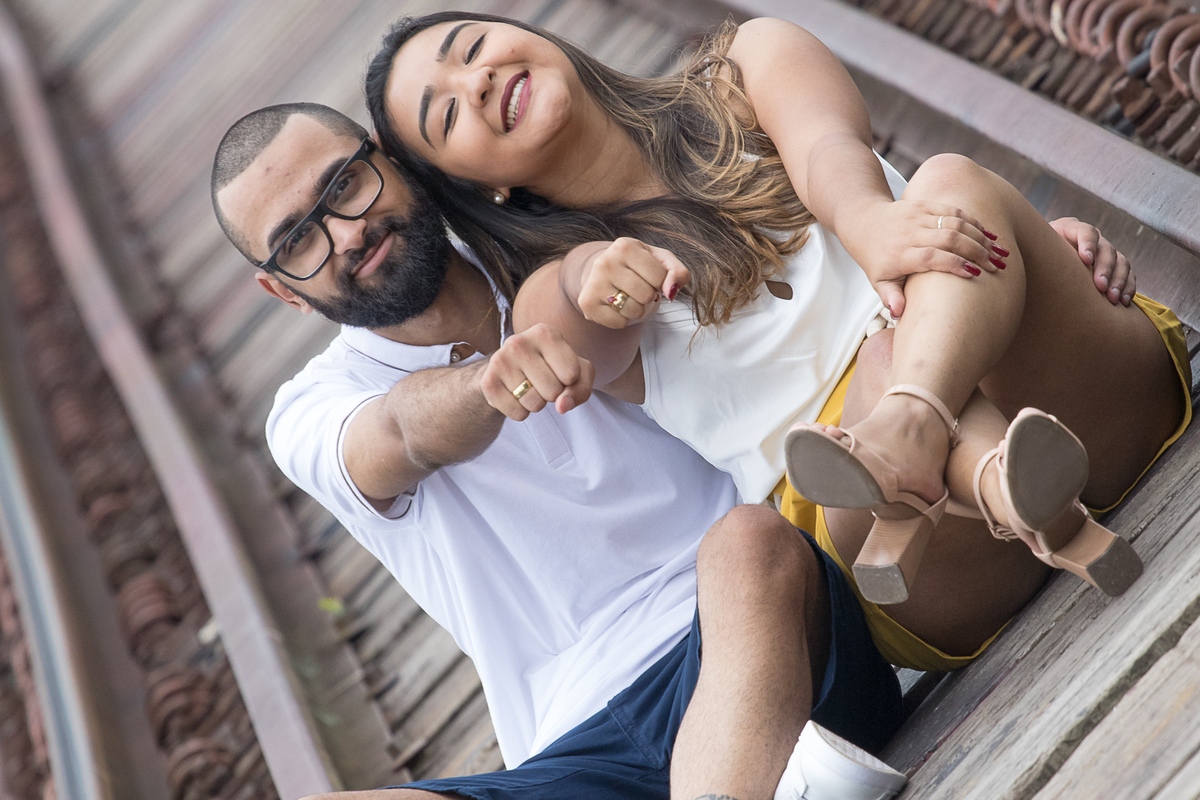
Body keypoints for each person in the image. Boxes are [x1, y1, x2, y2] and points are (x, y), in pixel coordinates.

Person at [365, 12, 1192, 671]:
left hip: (1091, 411)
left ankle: (938, 447)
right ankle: (981, 471)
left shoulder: (751, 62)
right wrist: (597, 280)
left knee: (949, 187)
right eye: (446, 114)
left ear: (534, 34)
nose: (475, 83)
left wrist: (879, 224)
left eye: (472, 49)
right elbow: (571, 319)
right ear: (479, 186)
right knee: (877, 359)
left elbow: (826, 146)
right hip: (913, 561)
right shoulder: (551, 290)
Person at [211, 102, 911, 800]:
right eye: (299, 239)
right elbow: (394, 435)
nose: (347, 233)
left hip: (765, 640)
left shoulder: (555, 245)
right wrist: (486, 387)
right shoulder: (308, 410)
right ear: (282, 291)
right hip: (572, 750)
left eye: (343, 186)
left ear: (388, 159)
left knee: (748, 541)